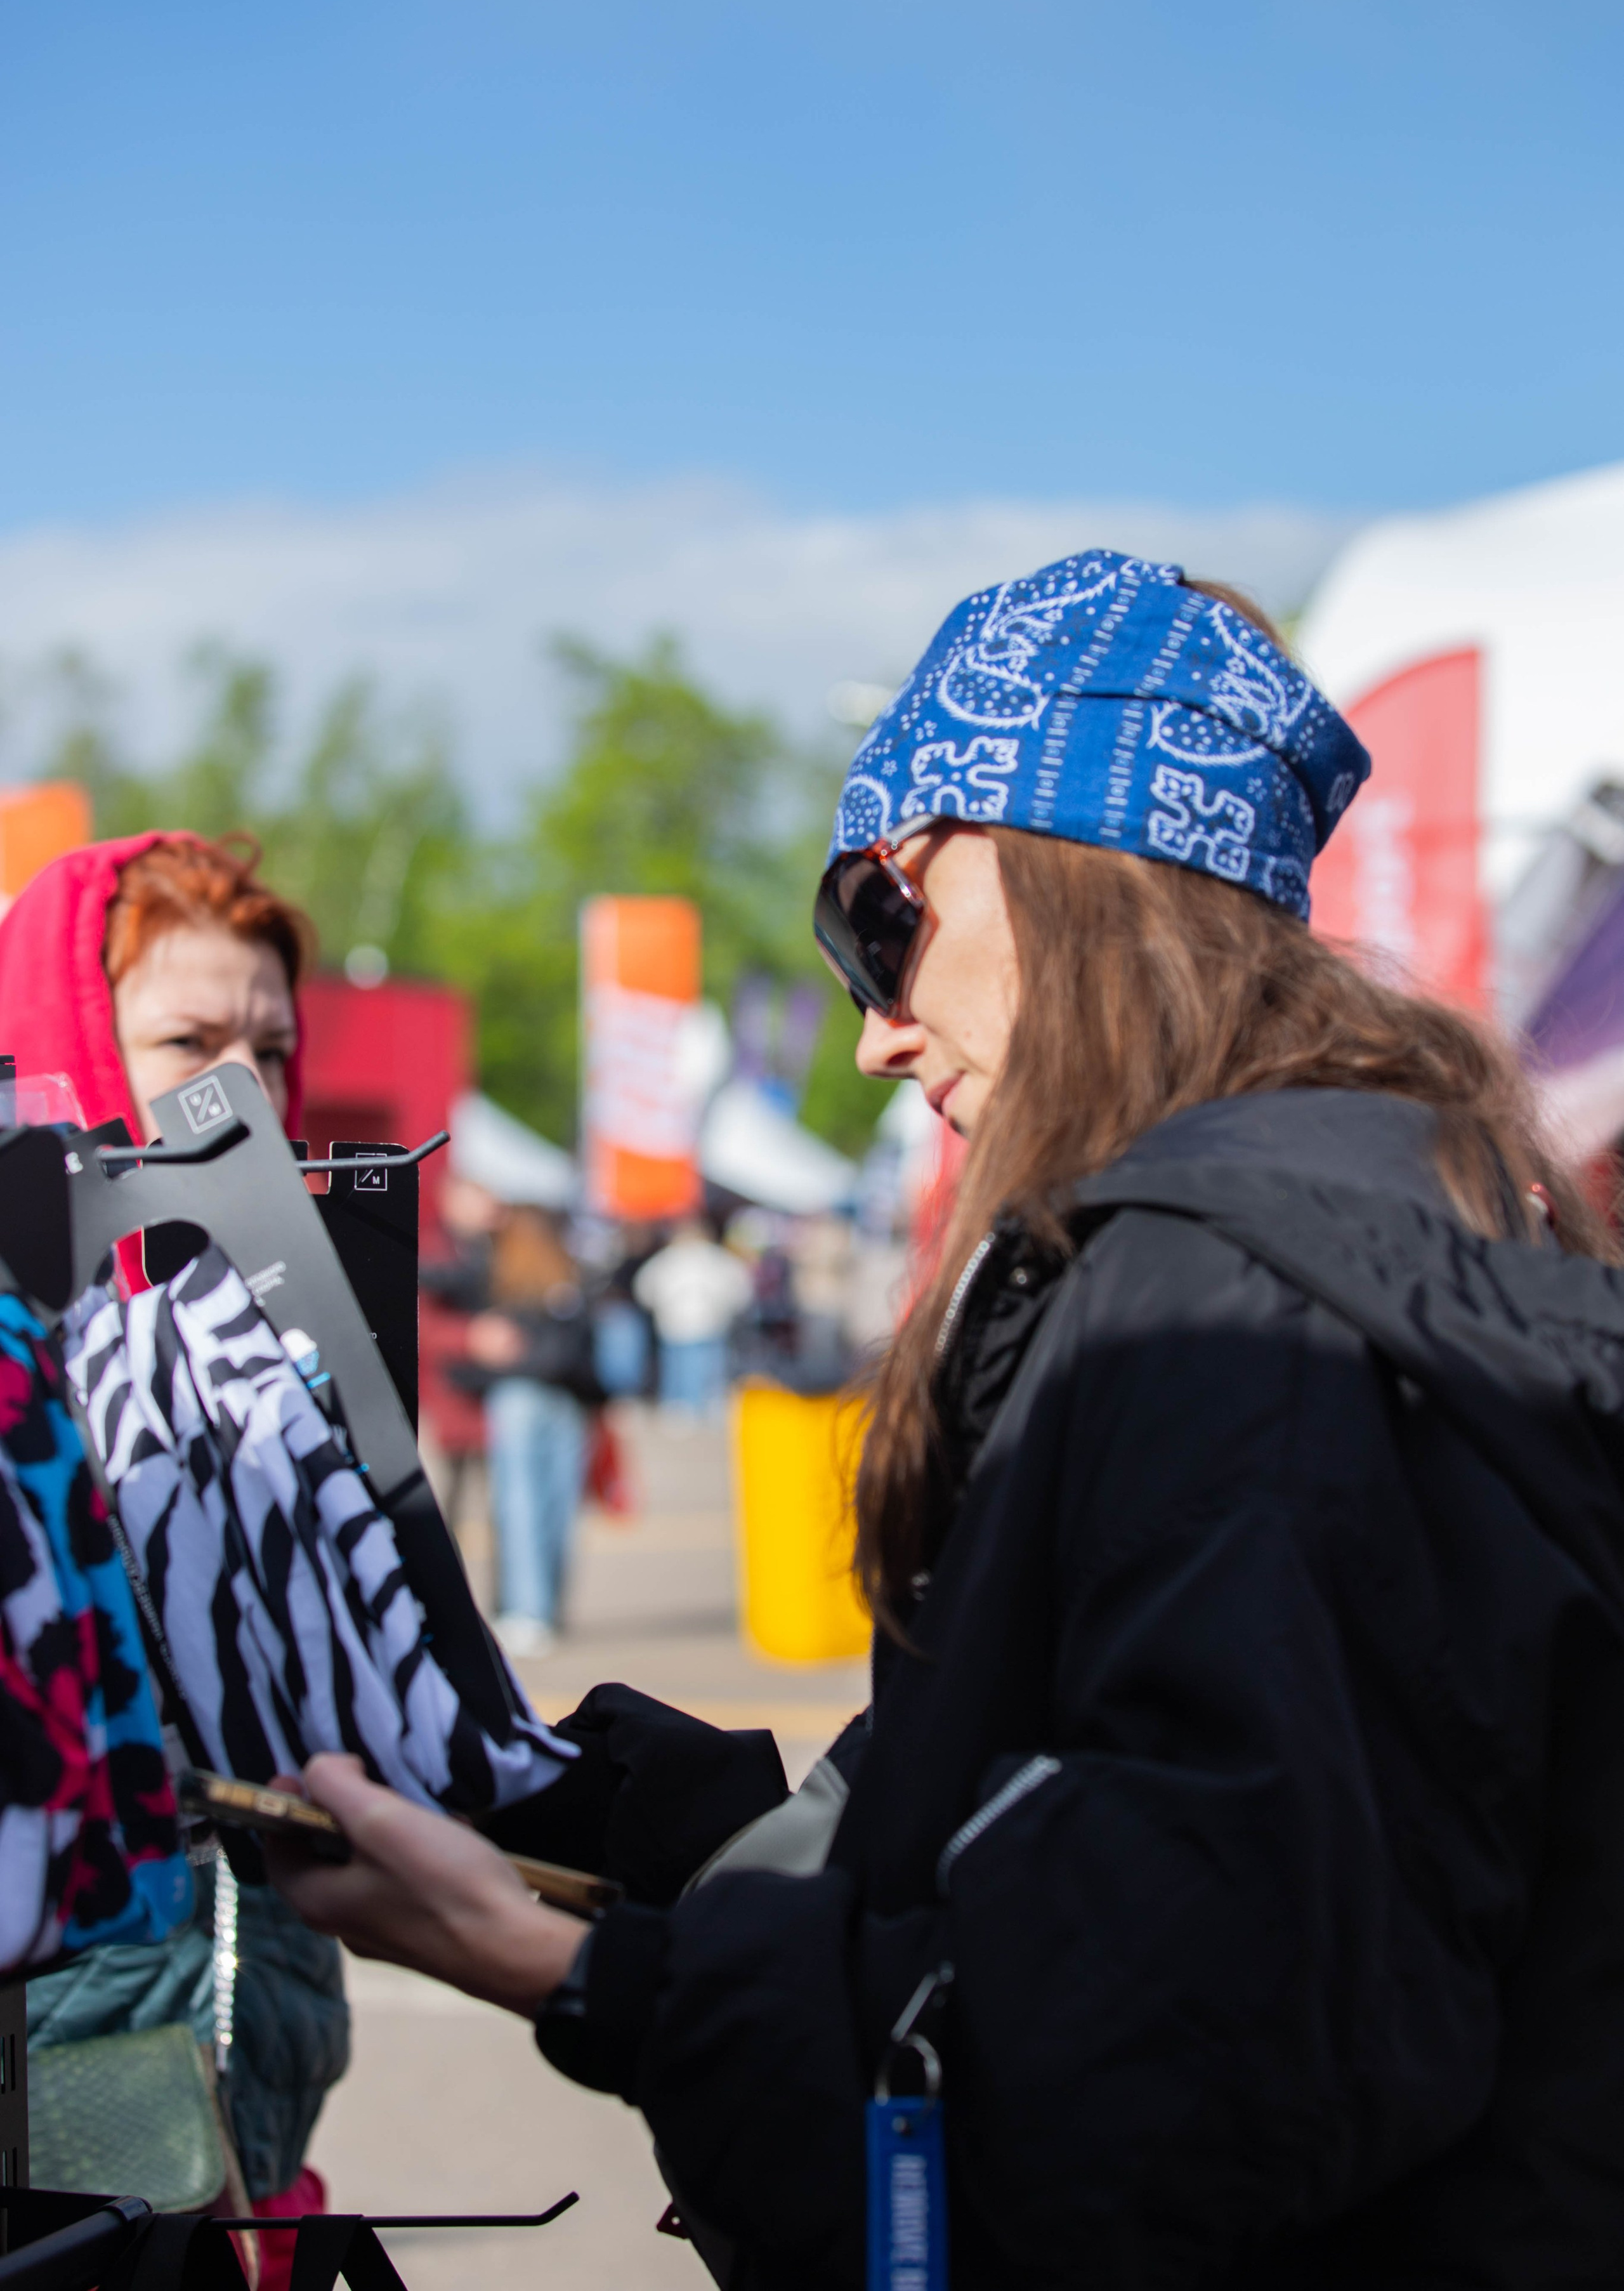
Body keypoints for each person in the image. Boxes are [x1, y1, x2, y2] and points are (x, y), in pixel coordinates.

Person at [268, 554, 1624, 2287]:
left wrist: (597, 1986)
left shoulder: (1237, 1318)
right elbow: (1063, 1827)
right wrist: (629, 1816)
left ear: (1078, 872)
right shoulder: (1326, 1241)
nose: (874, 1039)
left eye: (876, 919)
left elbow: (1166, 2063)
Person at [0, 833, 350, 2280]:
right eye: (188, 1041)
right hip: (58, 2073)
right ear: (63, 1052)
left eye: (270, 1046)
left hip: (246, 2068)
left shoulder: (288, 1339)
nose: (243, 1094)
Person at [453, 1202, 605, 1658]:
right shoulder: (570, 1281)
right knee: (556, 1509)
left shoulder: (496, 1277)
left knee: (521, 1506)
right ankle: (543, 1610)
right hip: (566, 1399)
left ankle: (528, 1611)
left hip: (519, 1397)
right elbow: (585, 1352)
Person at [632, 1216, 752, 1415]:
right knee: (698, 1367)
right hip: (698, 1323)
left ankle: (684, 1404)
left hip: (687, 1323)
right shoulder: (712, 1258)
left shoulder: (671, 1258)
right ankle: (697, 1404)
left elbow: (645, 1288)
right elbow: (740, 1288)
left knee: (687, 1367)